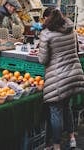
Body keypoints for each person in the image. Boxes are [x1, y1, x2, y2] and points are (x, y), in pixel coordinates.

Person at [38, 8, 84, 150]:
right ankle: (71, 139)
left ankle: (56, 146)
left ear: (48, 19)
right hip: (73, 76)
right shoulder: (71, 30)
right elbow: (76, 50)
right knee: (66, 107)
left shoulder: (46, 35)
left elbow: (43, 59)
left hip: (58, 78)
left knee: (56, 110)